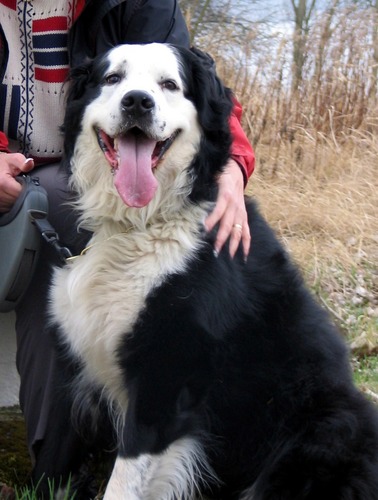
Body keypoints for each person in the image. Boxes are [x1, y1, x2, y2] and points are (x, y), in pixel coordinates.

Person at [0, 0, 255, 496]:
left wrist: (231, 165)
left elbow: (192, 83)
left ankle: (72, 464)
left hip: (83, 169)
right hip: (34, 170)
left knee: (56, 204)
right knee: (53, 204)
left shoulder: (138, 4)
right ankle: (61, 469)